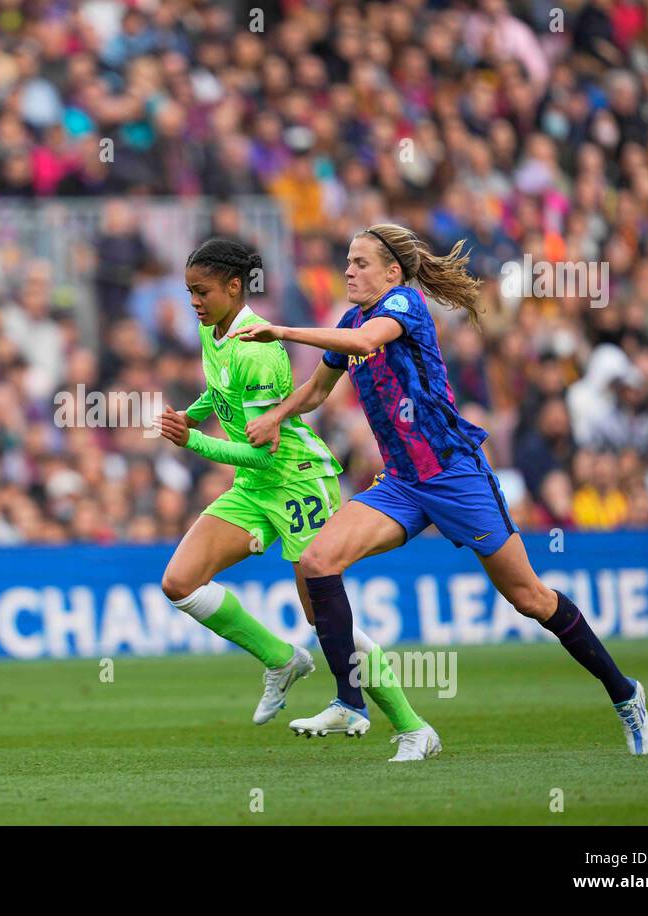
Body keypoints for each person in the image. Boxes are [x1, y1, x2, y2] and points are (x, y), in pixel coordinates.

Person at [234, 224, 648, 755]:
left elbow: (365, 343)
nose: (348, 271)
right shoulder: (349, 321)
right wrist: (276, 415)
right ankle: (350, 701)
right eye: (347, 261)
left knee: (530, 598)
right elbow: (319, 389)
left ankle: (624, 693)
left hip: (455, 475)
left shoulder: (404, 305)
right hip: (402, 483)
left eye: (361, 263)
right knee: (317, 561)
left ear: (391, 272)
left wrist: (284, 331)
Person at [153, 237, 440, 761]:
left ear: (235, 287)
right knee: (179, 582)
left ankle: (412, 726)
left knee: (323, 616)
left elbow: (264, 454)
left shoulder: (260, 350)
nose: (194, 301)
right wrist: (193, 415)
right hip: (253, 487)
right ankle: (282, 660)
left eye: (202, 291)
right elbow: (222, 393)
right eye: (190, 291)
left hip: (296, 481)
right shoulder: (211, 330)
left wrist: (190, 440)